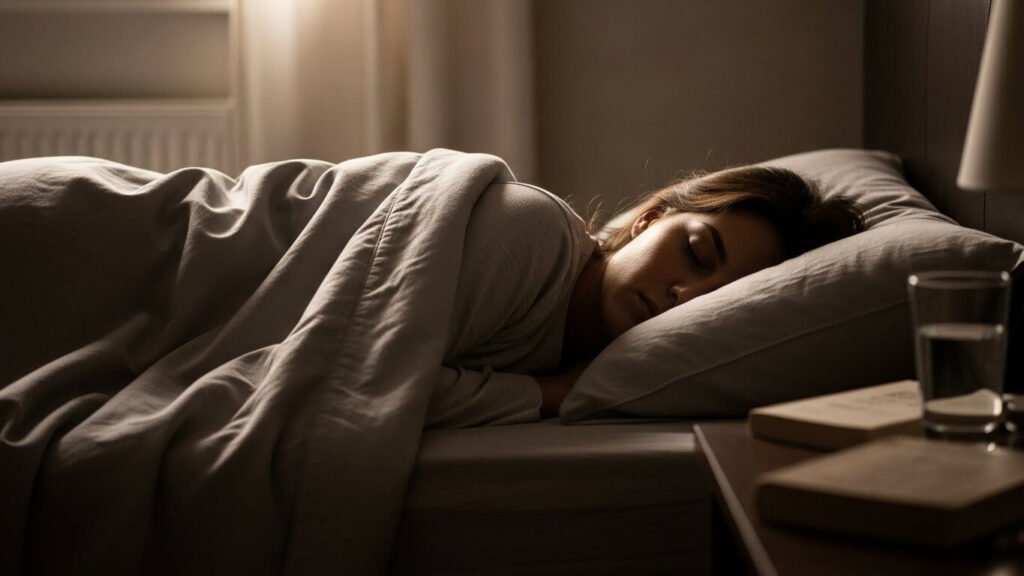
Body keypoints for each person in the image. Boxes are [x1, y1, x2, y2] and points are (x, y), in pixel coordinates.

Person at [533, 165, 865, 416]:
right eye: (696, 252)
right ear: (648, 220)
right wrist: (549, 395)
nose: (687, 296)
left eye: (716, 300)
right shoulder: (537, 238)